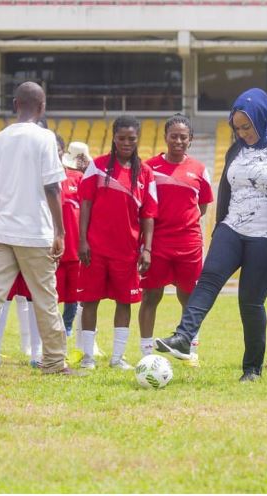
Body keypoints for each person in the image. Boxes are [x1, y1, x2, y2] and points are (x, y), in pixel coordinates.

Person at [156, 88, 267, 382]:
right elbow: (226, 190)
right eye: (237, 127)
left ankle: (252, 369)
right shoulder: (235, 150)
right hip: (231, 228)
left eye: (247, 127)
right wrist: (219, 226)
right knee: (208, 279)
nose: (242, 133)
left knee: (250, 302)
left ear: (261, 119)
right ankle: (183, 337)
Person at [0, 81, 71, 375]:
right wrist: (60, 232)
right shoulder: (45, 138)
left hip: (2, 230)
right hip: (35, 232)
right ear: (42, 107)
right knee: (45, 298)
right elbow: (52, 187)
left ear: (16, 104)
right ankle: (53, 361)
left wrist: (2, 209)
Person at [78, 115, 157, 370]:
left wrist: (147, 249)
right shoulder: (98, 166)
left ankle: (117, 357)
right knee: (90, 301)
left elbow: (148, 215)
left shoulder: (145, 173)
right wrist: (82, 241)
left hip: (127, 251)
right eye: (121, 138)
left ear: (137, 139)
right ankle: (88, 357)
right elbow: (85, 205)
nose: (126, 143)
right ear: (113, 137)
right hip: (96, 248)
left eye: (131, 139)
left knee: (125, 303)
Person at [138, 114, 214, 365]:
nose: (178, 141)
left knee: (189, 299)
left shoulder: (200, 170)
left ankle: (190, 350)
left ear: (190, 140)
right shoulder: (148, 168)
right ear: (165, 137)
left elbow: (201, 207)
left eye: (184, 137)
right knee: (151, 297)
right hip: (157, 243)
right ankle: (146, 353)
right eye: (174, 136)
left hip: (188, 244)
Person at [56, 138, 88, 336]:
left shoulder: (77, 178)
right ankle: (53, 328)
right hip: (52, 249)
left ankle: (68, 327)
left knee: (74, 293)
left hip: (76, 247)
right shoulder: (41, 179)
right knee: (52, 293)